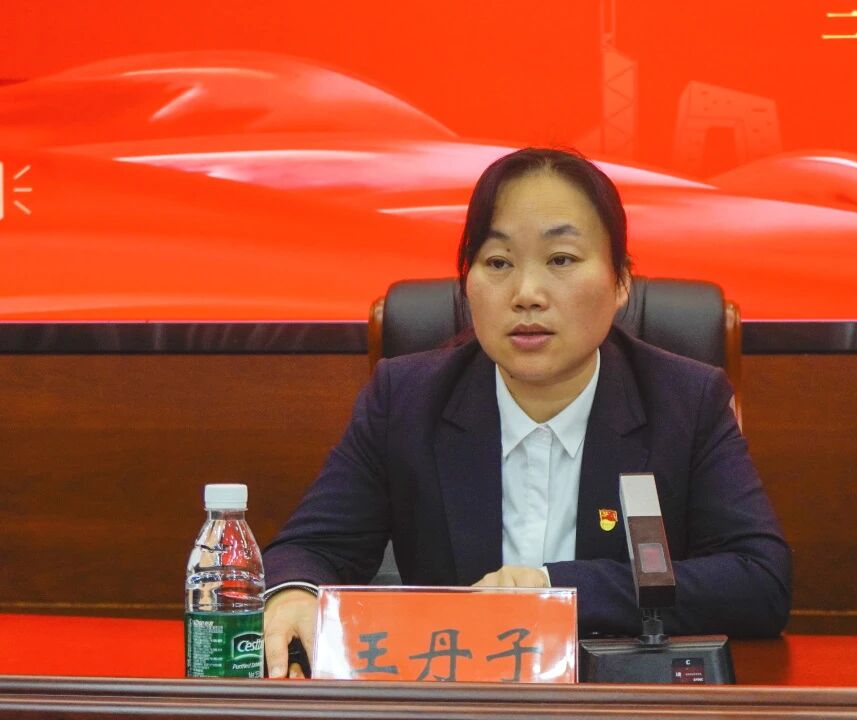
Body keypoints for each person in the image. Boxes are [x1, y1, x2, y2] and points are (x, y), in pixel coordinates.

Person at [261, 148, 791, 679]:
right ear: (467, 284)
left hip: (617, 705)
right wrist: (293, 594)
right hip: (456, 702)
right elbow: (310, 549)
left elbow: (759, 581)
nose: (527, 294)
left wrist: (552, 590)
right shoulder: (406, 399)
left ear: (620, 282)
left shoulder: (686, 400)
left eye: (561, 259)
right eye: (498, 263)